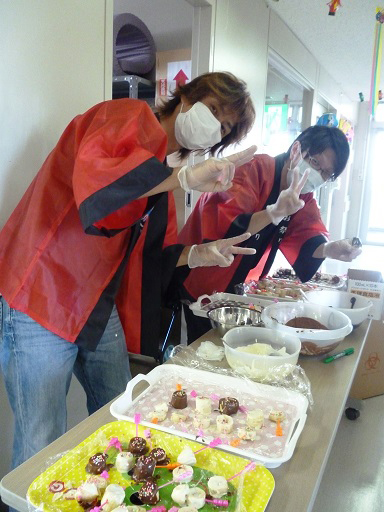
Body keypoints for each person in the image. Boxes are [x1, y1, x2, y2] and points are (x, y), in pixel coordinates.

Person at [0, 71, 256, 468]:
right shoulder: (128, 117)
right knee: (42, 440)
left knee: (125, 413)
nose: (213, 126)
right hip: (43, 295)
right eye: (214, 110)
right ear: (186, 98)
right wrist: (183, 178)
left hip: (96, 308)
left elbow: (155, 256)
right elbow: (99, 185)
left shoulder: (165, 178)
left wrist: (202, 252)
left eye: (223, 127)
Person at [177, 125, 362, 341]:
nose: (318, 176)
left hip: (238, 284)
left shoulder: (304, 195)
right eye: (315, 163)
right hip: (204, 271)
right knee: (202, 344)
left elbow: (307, 236)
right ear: (296, 150)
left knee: (231, 343)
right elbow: (231, 226)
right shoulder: (253, 169)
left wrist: (331, 249)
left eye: (326, 174)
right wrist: (274, 212)